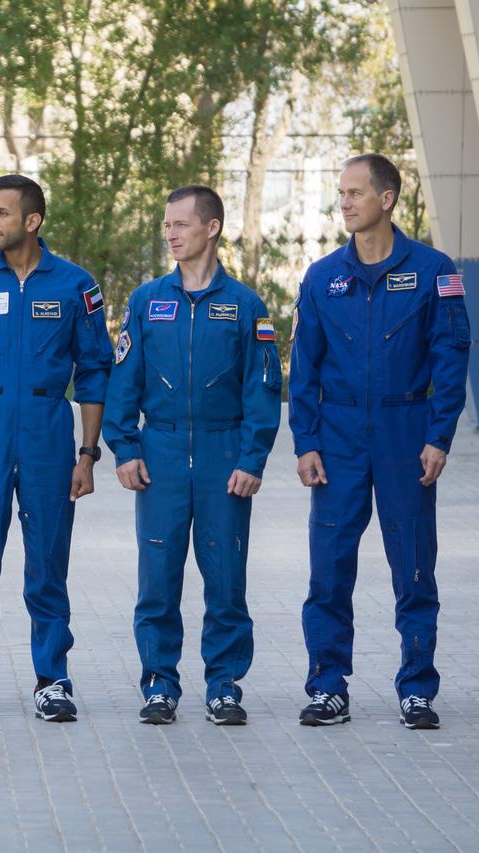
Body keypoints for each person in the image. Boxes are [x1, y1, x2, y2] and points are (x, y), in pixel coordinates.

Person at [290, 153, 470, 730]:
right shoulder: (322, 277)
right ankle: (327, 687)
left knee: (414, 565)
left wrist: (438, 436)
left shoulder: (435, 269)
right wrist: (305, 441)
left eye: (355, 193)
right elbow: (304, 368)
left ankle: (416, 688)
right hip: (339, 440)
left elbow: (452, 357)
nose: (343, 202)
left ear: (387, 199)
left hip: (405, 434)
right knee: (329, 569)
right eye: (340, 193)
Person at [0, 174, 113, 723]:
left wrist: (87, 454)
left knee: (47, 566)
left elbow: (95, 370)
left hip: (47, 432)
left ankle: (52, 679)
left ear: (31, 221)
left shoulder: (75, 285)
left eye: (2, 213)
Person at [102, 185, 281, 726]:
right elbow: (123, 381)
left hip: (224, 454)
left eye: (181, 224)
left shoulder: (245, 305)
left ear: (212, 228)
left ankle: (224, 685)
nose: (172, 235)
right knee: (157, 576)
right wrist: (124, 447)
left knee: (225, 578)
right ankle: (160, 684)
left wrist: (252, 459)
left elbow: (263, 389)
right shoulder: (146, 301)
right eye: (166, 226)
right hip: (159, 451)